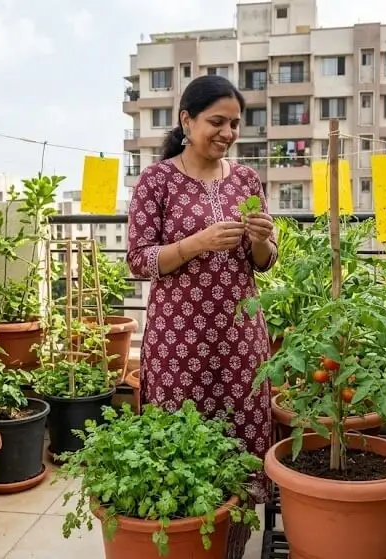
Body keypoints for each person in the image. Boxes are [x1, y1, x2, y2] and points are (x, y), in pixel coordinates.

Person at [126, 74, 277, 557]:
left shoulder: (247, 179)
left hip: (240, 335)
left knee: (241, 430)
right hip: (179, 338)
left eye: (235, 123)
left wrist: (260, 239)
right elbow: (138, 260)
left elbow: (265, 262)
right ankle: (186, 540)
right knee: (179, 437)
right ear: (186, 120)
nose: (228, 132)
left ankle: (232, 541)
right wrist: (195, 244)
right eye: (217, 121)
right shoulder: (157, 180)